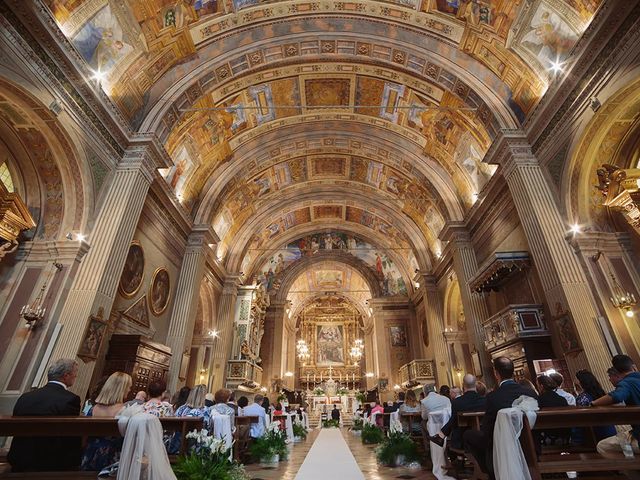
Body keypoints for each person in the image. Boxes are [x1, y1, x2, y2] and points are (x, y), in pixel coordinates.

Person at [463, 357, 537, 476]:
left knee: (469, 435)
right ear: (513, 372)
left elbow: (487, 429)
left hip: (501, 449)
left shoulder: (493, 397)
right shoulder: (531, 393)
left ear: (496, 373)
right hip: (532, 447)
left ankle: (490, 469)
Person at [8, 358, 82, 472]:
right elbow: (70, 435)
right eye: (75, 375)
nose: (75, 377)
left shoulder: (26, 397)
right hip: (50, 462)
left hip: (19, 457)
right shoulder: (70, 399)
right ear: (66, 376)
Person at [592, 354, 640, 464]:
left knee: (603, 446)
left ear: (617, 371)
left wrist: (594, 403)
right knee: (624, 437)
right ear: (633, 367)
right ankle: (631, 459)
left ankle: (632, 466)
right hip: (634, 431)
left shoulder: (627, 382)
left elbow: (617, 396)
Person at [81, 371, 133, 471]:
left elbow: (85, 433)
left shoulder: (93, 408)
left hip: (91, 453)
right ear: (121, 389)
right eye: (129, 387)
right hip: (112, 457)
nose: (129, 390)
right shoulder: (124, 411)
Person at [431, 374, 486, 449]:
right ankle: (441, 435)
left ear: (463, 385)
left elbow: (454, 423)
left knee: (454, 420)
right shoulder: (485, 401)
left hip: (462, 440)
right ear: (475, 384)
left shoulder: (457, 402)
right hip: (483, 436)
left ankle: (441, 436)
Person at [573, 369, 616, 443]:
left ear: (581, 382)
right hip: (609, 428)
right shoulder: (601, 393)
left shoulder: (582, 397)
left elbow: (581, 417)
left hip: (593, 431)